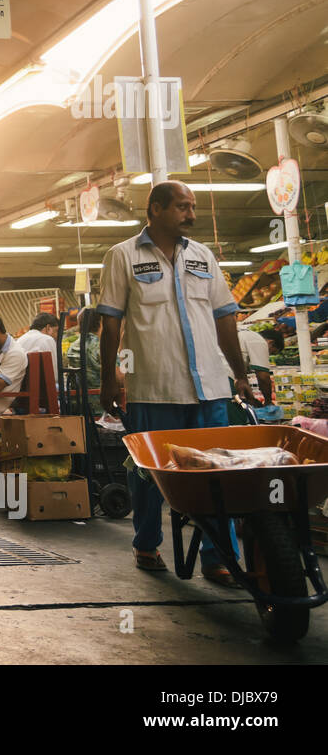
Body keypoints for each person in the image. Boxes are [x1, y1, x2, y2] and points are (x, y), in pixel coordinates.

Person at [97, 180, 253, 586]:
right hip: (153, 386)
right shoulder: (123, 256)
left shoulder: (204, 257)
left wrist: (241, 374)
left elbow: (225, 319)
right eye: (182, 206)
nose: (191, 214)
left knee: (214, 473)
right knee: (149, 474)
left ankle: (219, 557)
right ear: (156, 208)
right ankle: (146, 543)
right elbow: (110, 324)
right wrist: (108, 381)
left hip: (210, 389)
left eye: (193, 206)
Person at [65, 308, 105, 415]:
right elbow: (118, 378)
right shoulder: (100, 346)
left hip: (78, 405)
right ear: (101, 323)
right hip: (100, 407)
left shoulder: (73, 346)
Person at [237, 325, 283, 407]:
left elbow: (241, 378)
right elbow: (263, 377)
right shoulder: (260, 342)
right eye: (272, 352)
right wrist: (268, 402)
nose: (269, 355)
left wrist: (252, 399)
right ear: (270, 343)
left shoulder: (245, 335)